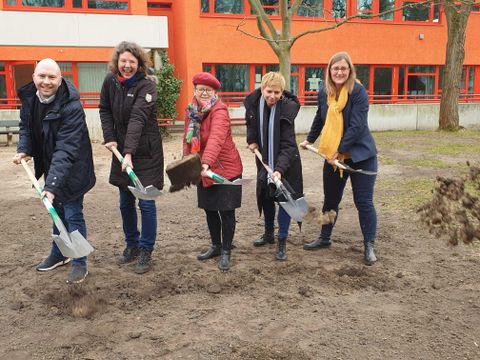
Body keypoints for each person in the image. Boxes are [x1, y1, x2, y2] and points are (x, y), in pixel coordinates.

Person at [13, 58, 96, 284]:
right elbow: (26, 127)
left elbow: (66, 148)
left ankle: (79, 262)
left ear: (61, 80)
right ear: (34, 78)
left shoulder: (72, 106)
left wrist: (51, 185)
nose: (46, 82)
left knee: (72, 212)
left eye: (52, 77)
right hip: (52, 163)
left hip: (74, 165)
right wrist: (24, 149)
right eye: (42, 76)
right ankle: (59, 254)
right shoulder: (30, 98)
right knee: (56, 210)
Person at [299, 51, 378, 265]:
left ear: (350, 70)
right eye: (336, 69)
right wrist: (310, 140)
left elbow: (356, 126)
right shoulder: (325, 92)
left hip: (361, 157)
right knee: (331, 199)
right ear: (330, 71)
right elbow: (320, 117)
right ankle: (324, 238)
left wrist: (339, 150)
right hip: (333, 156)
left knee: (364, 202)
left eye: (344, 68)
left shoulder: (358, 92)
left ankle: (369, 245)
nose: (340, 72)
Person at [99, 41, 164, 274]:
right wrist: (110, 138)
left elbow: (137, 118)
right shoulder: (110, 81)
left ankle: (146, 250)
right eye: (123, 61)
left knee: (145, 202)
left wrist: (128, 153)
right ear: (117, 61)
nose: (127, 66)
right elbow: (104, 109)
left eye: (132, 62)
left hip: (146, 152)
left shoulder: (147, 86)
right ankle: (132, 245)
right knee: (125, 201)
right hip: (121, 150)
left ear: (139, 65)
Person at [183, 72, 243, 272]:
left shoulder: (220, 110)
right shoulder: (192, 110)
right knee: (209, 209)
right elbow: (187, 138)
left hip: (225, 168)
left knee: (226, 211)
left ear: (215, 92)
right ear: (195, 90)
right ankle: (216, 246)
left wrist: (206, 163)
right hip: (203, 168)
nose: (204, 93)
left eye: (208, 90)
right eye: (200, 89)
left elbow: (217, 138)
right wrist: (186, 164)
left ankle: (226, 250)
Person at [244, 72, 303, 261]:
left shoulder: (287, 109)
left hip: (287, 163)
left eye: (277, 92)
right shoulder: (254, 104)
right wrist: (252, 140)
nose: (272, 96)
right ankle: (269, 234)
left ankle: (282, 240)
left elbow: (288, 145)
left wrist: (279, 169)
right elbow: (251, 124)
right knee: (266, 195)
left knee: (284, 199)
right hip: (264, 160)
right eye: (269, 91)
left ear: (282, 92)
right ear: (262, 90)